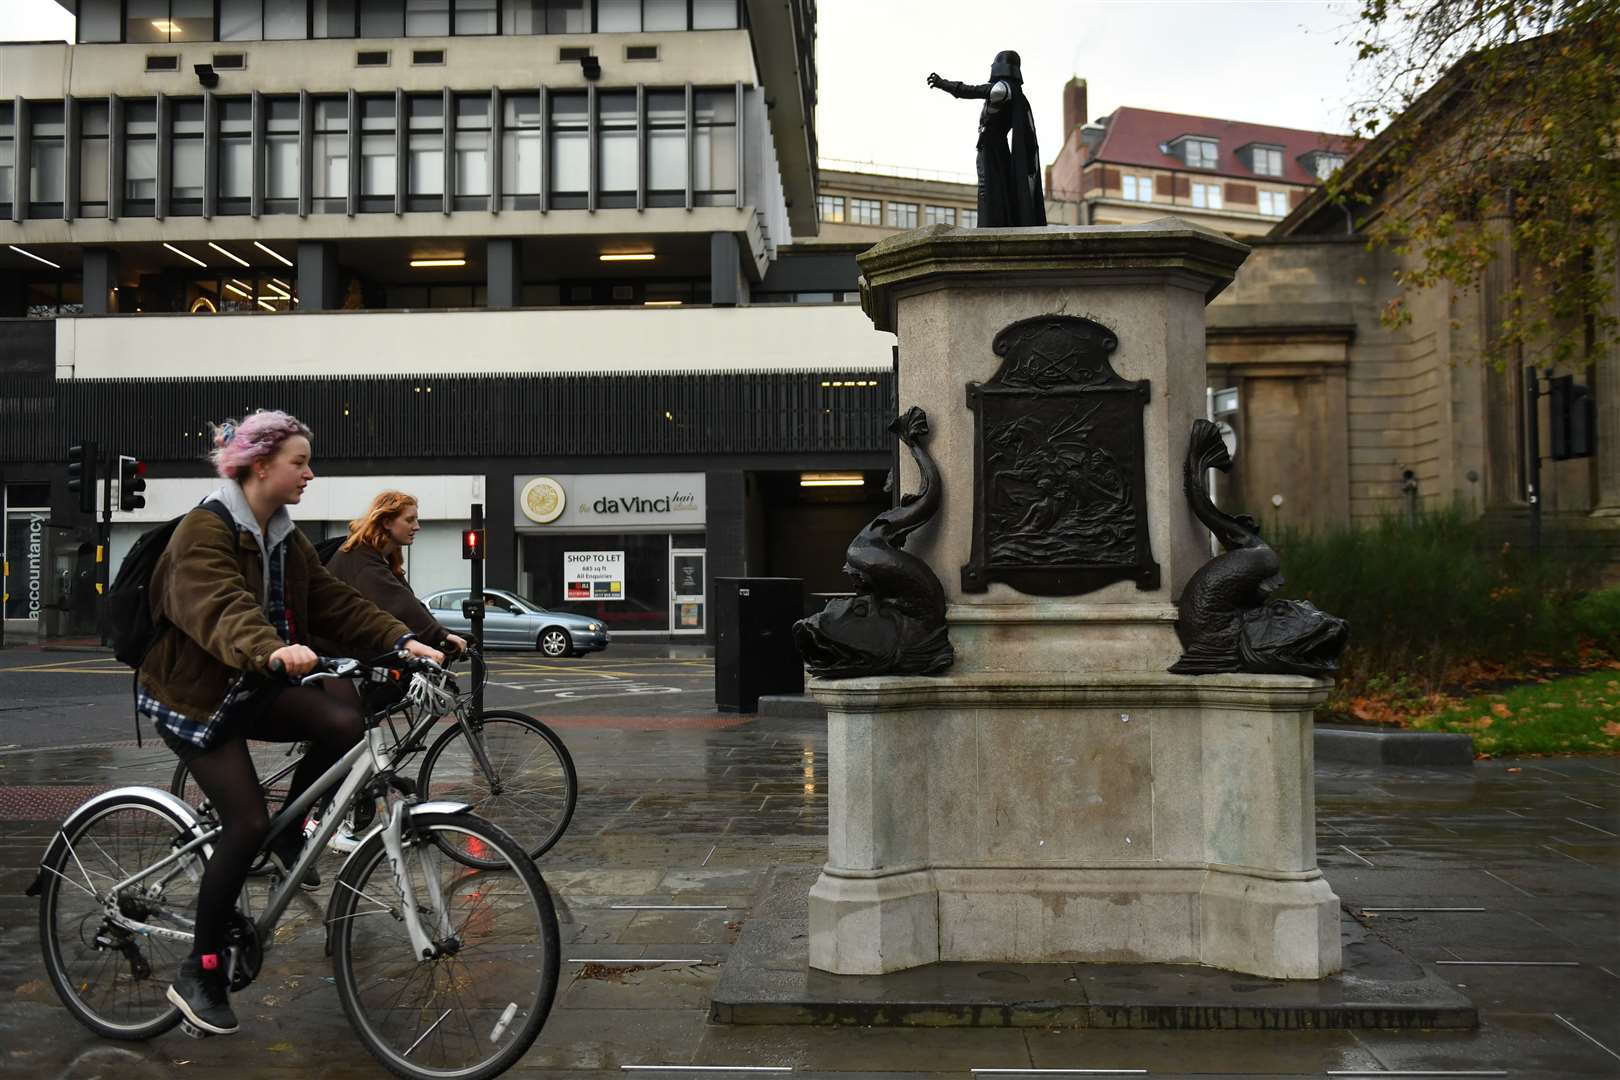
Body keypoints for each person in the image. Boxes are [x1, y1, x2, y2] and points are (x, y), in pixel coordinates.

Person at [138, 410, 443, 1037]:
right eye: (299, 462)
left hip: (250, 682)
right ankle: (200, 969)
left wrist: (401, 640)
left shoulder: (281, 532)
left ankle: (287, 834)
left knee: (343, 715)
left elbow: (334, 600)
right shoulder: (205, 529)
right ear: (258, 466)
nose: (310, 472)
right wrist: (271, 648)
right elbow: (216, 604)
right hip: (197, 698)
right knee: (244, 818)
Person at [927, 51, 1047, 227]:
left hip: (993, 147)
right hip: (991, 145)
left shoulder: (1002, 89)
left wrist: (942, 83)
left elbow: (971, 90)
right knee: (992, 187)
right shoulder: (1008, 90)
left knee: (989, 188)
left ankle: (992, 223)